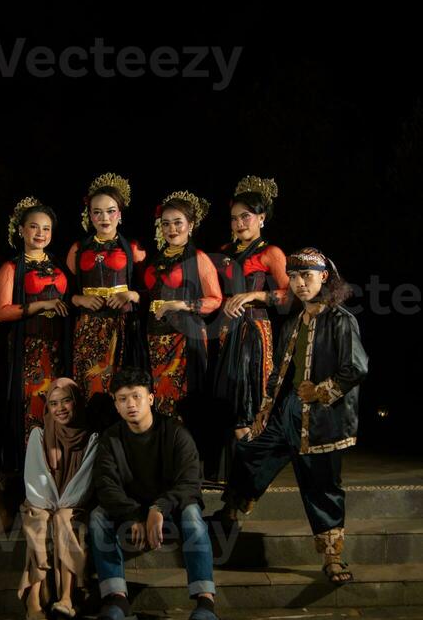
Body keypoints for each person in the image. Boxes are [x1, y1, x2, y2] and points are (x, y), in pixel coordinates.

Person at [222, 247, 369, 584]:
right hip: (287, 414)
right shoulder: (294, 322)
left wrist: (320, 391)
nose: (300, 283)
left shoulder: (341, 320)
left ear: (324, 277)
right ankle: (229, 515)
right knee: (250, 453)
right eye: (294, 276)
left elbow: (356, 368)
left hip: (323, 420)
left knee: (322, 486)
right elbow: (279, 374)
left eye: (307, 276)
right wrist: (265, 410)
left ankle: (332, 557)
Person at [89, 367, 218, 620]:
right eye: (123, 399)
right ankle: (117, 598)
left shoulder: (175, 432)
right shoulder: (111, 438)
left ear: (151, 398)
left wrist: (159, 507)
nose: (130, 404)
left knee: (193, 515)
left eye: (136, 396)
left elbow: (190, 480)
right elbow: (106, 484)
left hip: (171, 507)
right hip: (132, 508)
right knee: (98, 516)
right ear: (115, 404)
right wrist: (132, 514)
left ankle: (205, 601)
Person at [212, 175, 289, 482]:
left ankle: (250, 471)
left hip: (254, 332)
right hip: (226, 330)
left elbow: (288, 295)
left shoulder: (270, 253)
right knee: (226, 396)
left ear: (261, 218)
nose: (239, 223)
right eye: (234, 218)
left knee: (249, 395)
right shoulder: (224, 250)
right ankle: (229, 471)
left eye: (246, 216)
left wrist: (255, 295)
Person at [0, 197, 70, 476]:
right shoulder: (11, 268)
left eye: (47, 229)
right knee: (34, 409)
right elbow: (1, 311)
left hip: (59, 346)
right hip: (31, 349)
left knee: (61, 408)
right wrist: (41, 305)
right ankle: (32, 475)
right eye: (34, 227)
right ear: (21, 230)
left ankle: (61, 474)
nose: (41, 234)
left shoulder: (60, 264)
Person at [66, 173, 146, 424]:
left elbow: (149, 290)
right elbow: (64, 293)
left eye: (110, 211)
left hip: (121, 327)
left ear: (120, 214)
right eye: (97, 212)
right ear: (89, 215)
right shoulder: (78, 249)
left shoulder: (133, 248)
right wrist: (79, 300)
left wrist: (130, 295)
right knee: (89, 385)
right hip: (88, 328)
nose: (104, 218)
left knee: (120, 387)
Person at [18, 378, 98, 620]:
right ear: (47, 408)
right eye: (54, 403)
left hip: (74, 501)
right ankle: (34, 601)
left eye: (66, 401)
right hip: (41, 499)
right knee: (39, 520)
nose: (60, 408)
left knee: (65, 518)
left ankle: (67, 597)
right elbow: (35, 476)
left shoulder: (90, 438)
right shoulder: (39, 435)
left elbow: (83, 480)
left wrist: (63, 506)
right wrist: (48, 505)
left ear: (76, 402)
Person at [143, 191, 222, 431]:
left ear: (191, 225)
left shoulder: (198, 258)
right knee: (159, 399)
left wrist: (182, 304)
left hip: (183, 339)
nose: (172, 229)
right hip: (155, 339)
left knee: (182, 402)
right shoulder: (156, 258)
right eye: (166, 224)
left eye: (178, 222)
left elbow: (215, 300)